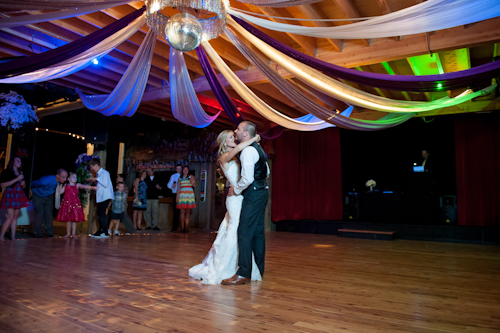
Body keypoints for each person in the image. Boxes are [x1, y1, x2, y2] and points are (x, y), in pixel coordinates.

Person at [189, 131, 261, 284]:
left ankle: (242, 266)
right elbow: (240, 146)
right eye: (230, 137)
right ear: (223, 143)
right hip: (234, 199)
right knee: (235, 230)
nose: (234, 138)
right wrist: (254, 138)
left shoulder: (235, 157)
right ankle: (228, 268)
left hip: (239, 196)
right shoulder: (224, 157)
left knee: (233, 230)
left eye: (234, 136)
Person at [222, 121, 270, 285]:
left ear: (246, 134)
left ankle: (243, 273)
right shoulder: (257, 148)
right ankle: (258, 270)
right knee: (257, 233)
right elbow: (267, 171)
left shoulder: (247, 151)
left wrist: (236, 190)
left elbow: (247, 179)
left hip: (253, 194)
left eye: (238, 129)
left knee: (244, 231)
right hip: (262, 191)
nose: (236, 131)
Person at [57, 172, 96, 238]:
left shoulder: (77, 185)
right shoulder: (66, 185)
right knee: (68, 219)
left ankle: (74, 233)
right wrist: (60, 186)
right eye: (73, 177)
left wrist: (92, 188)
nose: (75, 179)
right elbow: (60, 192)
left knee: (74, 219)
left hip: (75, 204)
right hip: (67, 204)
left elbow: (84, 186)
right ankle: (68, 233)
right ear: (69, 179)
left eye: (76, 177)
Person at [31, 168, 68, 238]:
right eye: (63, 177)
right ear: (57, 176)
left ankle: (49, 233)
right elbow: (34, 184)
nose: (65, 179)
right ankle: (38, 233)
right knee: (39, 213)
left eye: (66, 177)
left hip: (49, 196)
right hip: (38, 195)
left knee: (48, 214)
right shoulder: (46, 181)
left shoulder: (60, 182)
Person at [0, 157, 29, 241]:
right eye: (18, 161)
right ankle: (1, 236)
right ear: (13, 162)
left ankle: (13, 237)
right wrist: (17, 179)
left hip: (18, 194)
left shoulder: (20, 172)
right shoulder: (6, 172)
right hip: (10, 194)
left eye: (20, 161)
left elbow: (23, 186)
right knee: (10, 217)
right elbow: (2, 185)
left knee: (15, 217)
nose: (20, 162)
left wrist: (23, 184)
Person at [87, 158, 114, 238]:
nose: (92, 169)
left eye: (92, 167)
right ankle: (101, 230)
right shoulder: (99, 174)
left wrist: (96, 179)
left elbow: (106, 184)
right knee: (99, 213)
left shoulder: (105, 173)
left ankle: (104, 232)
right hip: (102, 197)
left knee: (102, 214)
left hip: (106, 196)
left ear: (96, 165)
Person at [176, 166, 196, 233]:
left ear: (188, 171)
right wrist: (177, 197)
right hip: (182, 195)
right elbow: (178, 188)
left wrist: (192, 181)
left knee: (188, 211)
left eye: (186, 169)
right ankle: (182, 227)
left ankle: (186, 227)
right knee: (182, 211)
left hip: (189, 195)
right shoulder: (180, 178)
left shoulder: (191, 177)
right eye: (184, 169)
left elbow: (195, 186)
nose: (185, 171)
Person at [167, 164, 182, 232]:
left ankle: (182, 227)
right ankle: (175, 227)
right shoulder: (173, 176)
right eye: (177, 168)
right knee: (175, 211)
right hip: (175, 194)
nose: (178, 170)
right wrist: (172, 186)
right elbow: (168, 185)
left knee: (182, 211)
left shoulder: (184, 176)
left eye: (180, 168)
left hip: (183, 194)